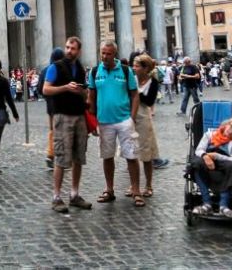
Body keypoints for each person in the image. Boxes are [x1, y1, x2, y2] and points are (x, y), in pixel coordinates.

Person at [87, 41, 143, 207]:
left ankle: (136, 191)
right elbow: (91, 96)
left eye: (108, 54)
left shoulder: (125, 71)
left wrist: (132, 117)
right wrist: (92, 121)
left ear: (115, 54)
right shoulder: (95, 71)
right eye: (102, 53)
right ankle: (109, 190)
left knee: (131, 156)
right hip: (104, 121)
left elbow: (135, 95)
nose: (105, 57)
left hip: (124, 120)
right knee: (107, 156)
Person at [43, 38, 91, 213]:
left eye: (73, 48)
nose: (69, 50)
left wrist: (82, 92)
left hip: (79, 116)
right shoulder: (55, 67)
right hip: (62, 116)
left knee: (79, 157)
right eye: (67, 47)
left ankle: (74, 194)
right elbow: (46, 89)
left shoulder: (80, 68)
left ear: (79, 51)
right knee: (61, 157)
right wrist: (65, 88)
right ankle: (56, 197)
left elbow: (85, 92)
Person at [191, 117, 232, 217]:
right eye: (231, 126)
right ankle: (207, 203)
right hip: (206, 162)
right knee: (196, 163)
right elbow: (199, 150)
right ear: (227, 124)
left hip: (225, 164)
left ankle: (223, 206)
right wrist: (206, 157)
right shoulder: (210, 134)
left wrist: (216, 156)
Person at [132, 54, 160, 199]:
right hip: (130, 118)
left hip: (143, 118)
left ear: (146, 68)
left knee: (146, 154)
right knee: (131, 154)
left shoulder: (153, 82)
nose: (134, 68)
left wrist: (135, 93)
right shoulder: (132, 79)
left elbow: (149, 101)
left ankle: (148, 185)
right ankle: (134, 185)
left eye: (137, 66)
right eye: (134, 65)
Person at [41, 47, 66, 169]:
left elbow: (40, 89)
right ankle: (61, 157)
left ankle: (50, 154)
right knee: (62, 131)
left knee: (53, 130)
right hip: (62, 105)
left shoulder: (45, 70)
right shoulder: (64, 69)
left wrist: (47, 97)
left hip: (50, 106)